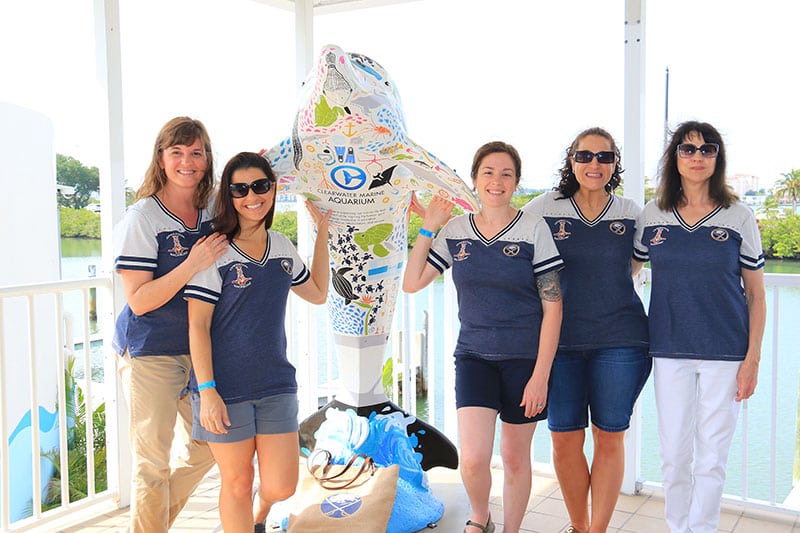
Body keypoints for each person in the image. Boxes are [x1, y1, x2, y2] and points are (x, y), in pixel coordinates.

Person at [403, 141, 563, 533]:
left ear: (516, 182)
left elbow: (553, 307)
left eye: (506, 174)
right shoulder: (457, 231)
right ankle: (481, 517)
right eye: (488, 172)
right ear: (474, 179)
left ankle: (511, 529)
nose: (497, 181)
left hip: (525, 361)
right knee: (473, 458)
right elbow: (411, 283)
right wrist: (429, 226)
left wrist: (541, 374)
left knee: (513, 456)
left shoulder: (533, 229)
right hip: (474, 356)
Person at [185, 151, 330, 533]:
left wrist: (322, 236)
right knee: (237, 482)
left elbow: (316, 293)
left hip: (275, 383)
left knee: (281, 485)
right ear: (229, 195)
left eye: (260, 186)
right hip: (224, 387)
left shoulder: (281, 246)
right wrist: (207, 390)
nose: (252, 196)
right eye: (240, 188)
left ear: (273, 189)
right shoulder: (214, 249)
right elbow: (197, 326)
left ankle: (258, 517)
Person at [633, 121, 766, 533]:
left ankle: (703, 528)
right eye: (687, 149)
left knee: (712, 458)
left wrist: (752, 359)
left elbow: (756, 295)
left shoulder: (738, 215)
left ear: (717, 158)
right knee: (674, 454)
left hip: (726, 353)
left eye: (707, 149)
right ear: (675, 158)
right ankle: (678, 526)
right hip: (669, 350)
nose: (697, 156)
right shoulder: (652, 215)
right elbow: (626, 271)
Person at [522, 127, 650, 533]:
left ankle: (597, 531)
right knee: (563, 439)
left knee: (610, 437)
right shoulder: (542, 208)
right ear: (571, 161)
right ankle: (579, 526)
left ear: (615, 164)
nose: (595, 164)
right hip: (560, 345)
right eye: (585, 156)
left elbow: (632, 268)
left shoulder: (632, 212)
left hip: (622, 341)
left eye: (604, 157)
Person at [112, 117, 228, 533]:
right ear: (161, 159)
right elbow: (139, 301)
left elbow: (255, 200)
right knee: (151, 464)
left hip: (200, 350)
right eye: (177, 152)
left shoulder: (214, 208)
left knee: (210, 446)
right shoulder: (142, 218)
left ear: (207, 158)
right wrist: (192, 265)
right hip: (150, 351)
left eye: (196, 152)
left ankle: (150, 525)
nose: (187, 161)